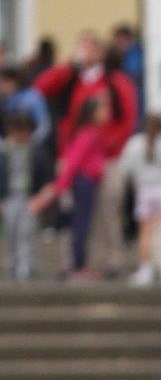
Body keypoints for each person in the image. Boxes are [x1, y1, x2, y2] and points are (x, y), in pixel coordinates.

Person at [34, 30, 138, 277]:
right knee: (73, 214)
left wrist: (109, 146)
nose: (85, 52)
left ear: (101, 52)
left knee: (107, 209)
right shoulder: (71, 78)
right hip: (72, 156)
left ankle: (109, 260)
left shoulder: (116, 82)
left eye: (90, 47)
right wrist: (69, 65)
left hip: (106, 159)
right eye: (82, 47)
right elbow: (41, 87)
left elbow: (128, 119)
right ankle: (73, 262)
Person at [28, 96, 107, 281]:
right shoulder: (86, 134)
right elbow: (73, 162)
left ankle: (80, 262)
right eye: (101, 109)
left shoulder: (92, 133)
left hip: (89, 183)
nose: (105, 113)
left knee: (84, 225)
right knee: (80, 225)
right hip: (83, 183)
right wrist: (61, 187)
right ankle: (77, 265)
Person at [118, 114, 161, 286]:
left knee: (145, 231)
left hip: (144, 190)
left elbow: (125, 168)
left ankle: (146, 268)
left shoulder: (135, 143)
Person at [0, 111, 53, 280]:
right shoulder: (4, 153)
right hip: (9, 198)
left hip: (29, 197)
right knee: (12, 231)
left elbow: (47, 179)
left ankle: (26, 265)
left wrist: (40, 199)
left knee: (27, 231)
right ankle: (14, 264)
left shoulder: (36, 152)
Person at [0, 66, 51, 146]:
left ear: (13, 81)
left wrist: (31, 142)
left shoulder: (32, 97)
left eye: (3, 82)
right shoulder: (4, 100)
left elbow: (44, 126)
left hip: (31, 145)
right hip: (7, 147)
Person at [110, 25, 145, 128]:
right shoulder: (129, 53)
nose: (116, 44)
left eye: (118, 40)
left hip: (137, 95)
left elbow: (133, 73)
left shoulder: (134, 53)